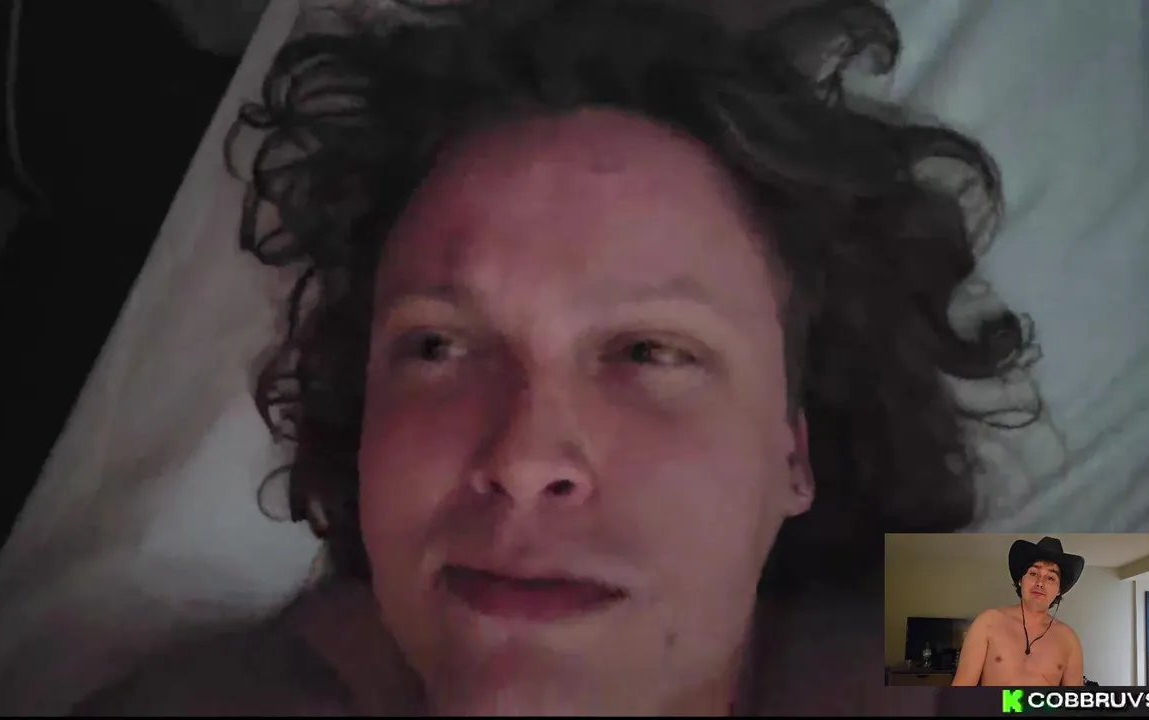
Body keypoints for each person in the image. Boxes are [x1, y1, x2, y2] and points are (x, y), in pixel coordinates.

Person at [77, 0, 1039, 714]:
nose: (524, 457)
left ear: (793, 451)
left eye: (648, 351)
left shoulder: (967, 625)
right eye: (437, 346)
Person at [951, 537, 1086, 687]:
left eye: (1050, 578)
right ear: (1021, 580)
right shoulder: (988, 623)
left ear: (1059, 589)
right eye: (1033, 574)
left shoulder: (1069, 640)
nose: (1040, 583)